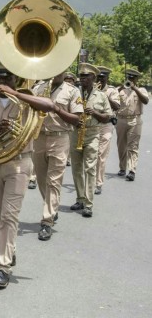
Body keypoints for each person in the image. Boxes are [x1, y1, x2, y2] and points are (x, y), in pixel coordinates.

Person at [0, 60, 56, 288]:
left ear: (15, 81)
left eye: (7, 79)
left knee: (9, 216)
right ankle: (9, 250)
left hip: (19, 165)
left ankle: (3, 266)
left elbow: (49, 105)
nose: (2, 82)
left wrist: (16, 93)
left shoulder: (26, 101)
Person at [31, 72, 82, 241]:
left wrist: (56, 108)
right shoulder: (38, 87)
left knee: (54, 181)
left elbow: (77, 119)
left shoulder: (72, 91)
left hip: (60, 137)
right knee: (41, 178)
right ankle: (52, 207)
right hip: (39, 137)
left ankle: (47, 221)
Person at [69, 63, 112, 217]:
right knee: (76, 168)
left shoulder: (101, 95)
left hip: (93, 133)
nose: (83, 79)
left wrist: (94, 113)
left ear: (93, 77)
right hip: (75, 132)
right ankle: (80, 198)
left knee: (90, 168)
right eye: (81, 76)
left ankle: (88, 204)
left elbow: (108, 117)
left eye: (86, 76)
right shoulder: (73, 93)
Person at [116, 68, 149, 181]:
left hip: (135, 120)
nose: (130, 79)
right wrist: (122, 86)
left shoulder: (141, 89)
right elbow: (112, 98)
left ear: (136, 79)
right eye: (129, 77)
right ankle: (122, 167)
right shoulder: (121, 89)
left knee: (133, 146)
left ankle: (132, 170)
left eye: (132, 78)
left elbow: (145, 101)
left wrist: (134, 88)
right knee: (121, 146)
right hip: (121, 120)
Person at [95, 66, 120, 194]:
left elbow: (116, 106)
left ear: (107, 78)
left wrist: (104, 95)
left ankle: (98, 183)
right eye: (98, 77)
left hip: (106, 125)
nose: (100, 79)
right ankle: (89, 181)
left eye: (103, 77)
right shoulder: (91, 89)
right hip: (92, 125)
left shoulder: (112, 91)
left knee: (101, 155)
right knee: (90, 155)